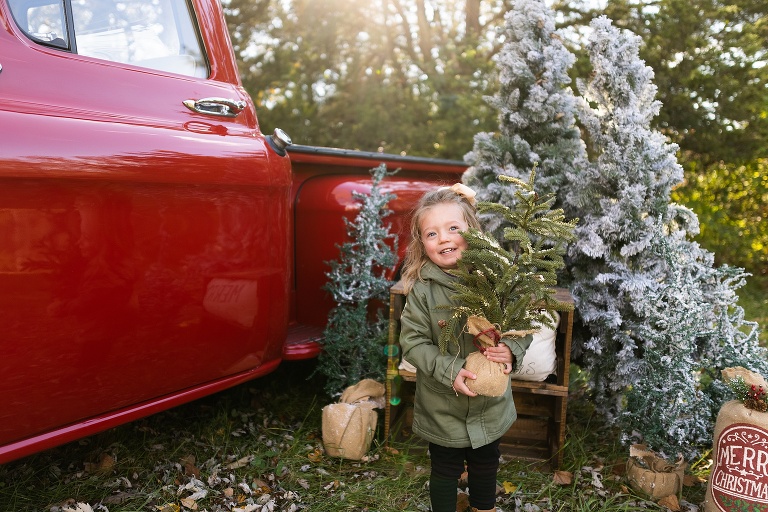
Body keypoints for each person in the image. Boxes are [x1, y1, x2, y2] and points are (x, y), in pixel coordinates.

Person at [399, 184, 533, 512]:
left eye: (453, 228)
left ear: (472, 231)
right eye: (432, 233)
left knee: (486, 462)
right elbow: (412, 341)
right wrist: (450, 369)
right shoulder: (423, 290)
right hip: (443, 404)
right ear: (422, 242)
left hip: (489, 402)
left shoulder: (494, 278)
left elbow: (521, 320)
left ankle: (482, 507)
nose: (443, 238)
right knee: (444, 467)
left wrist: (512, 348)